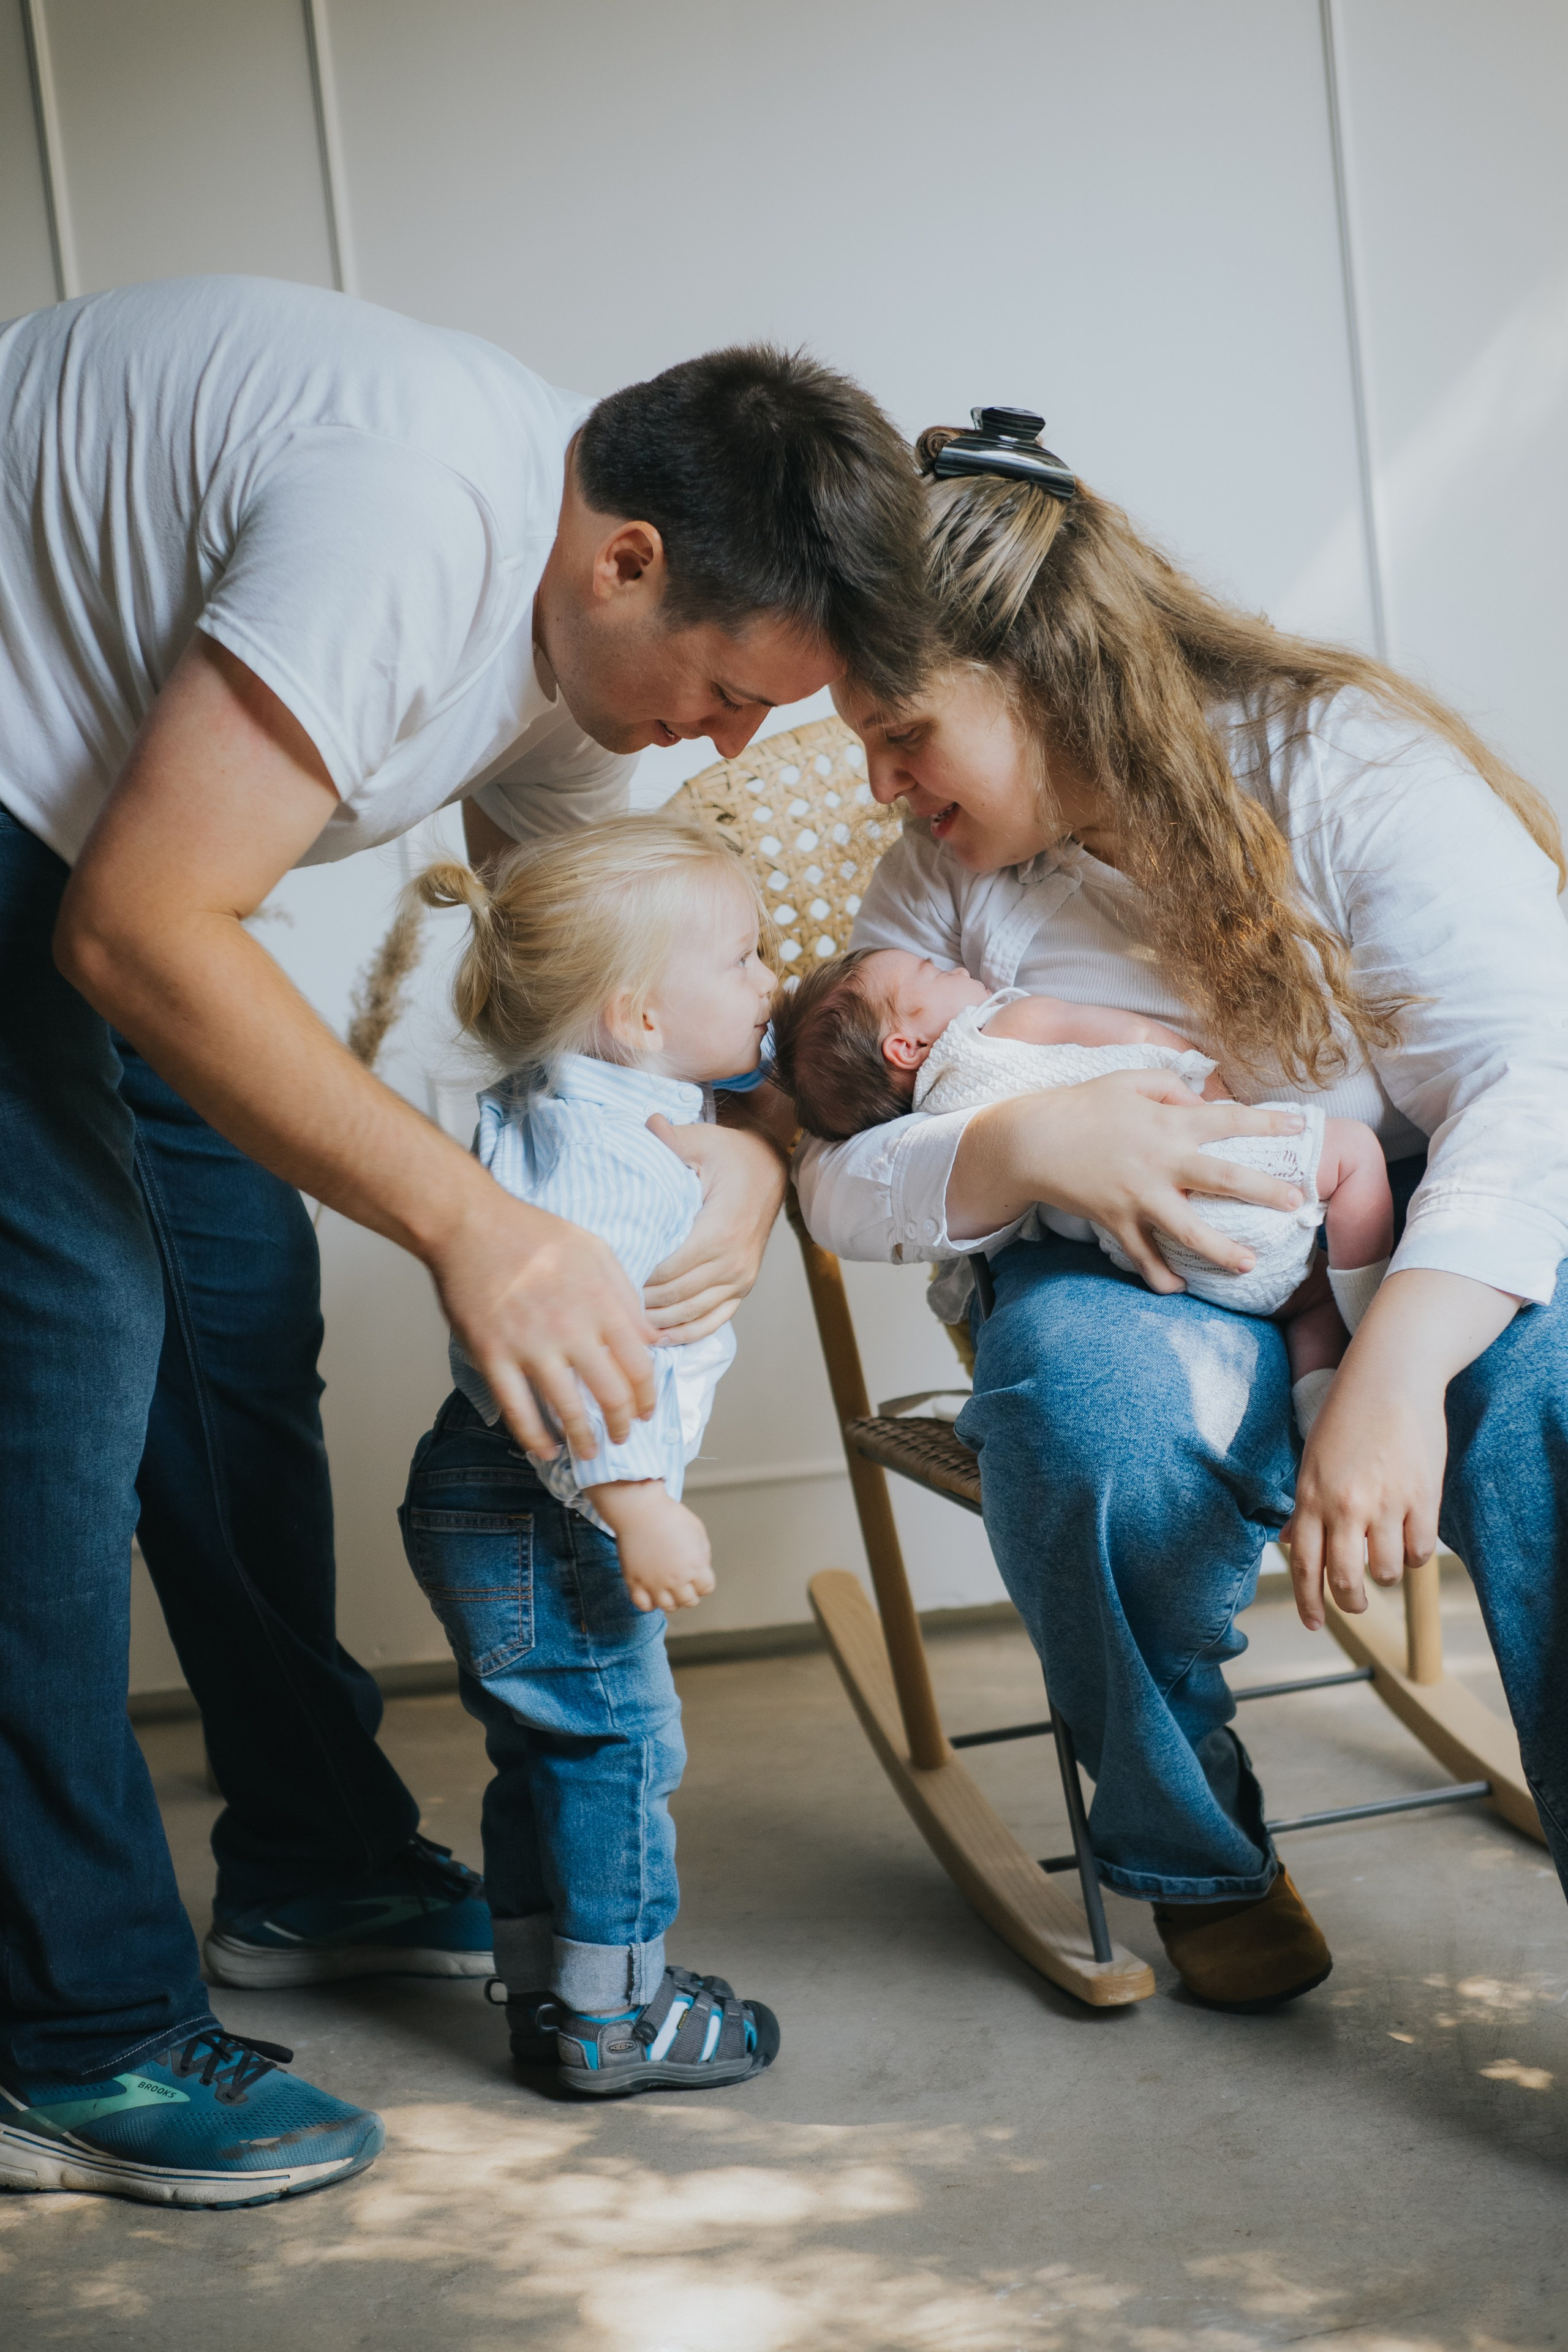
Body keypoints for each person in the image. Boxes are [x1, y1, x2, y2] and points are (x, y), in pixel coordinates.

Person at [0, 275, 925, 2204]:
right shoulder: (420, 518)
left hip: (98, 848)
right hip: (54, 849)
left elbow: (606, 997)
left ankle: (317, 1845)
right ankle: (69, 2025)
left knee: (236, 1319)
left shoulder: (578, 664)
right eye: (741, 689)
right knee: (61, 1381)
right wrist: (471, 1224)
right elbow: (130, 931)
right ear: (627, 556)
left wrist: (742, 1154)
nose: (736, 744)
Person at [793, 406, 1568, 2012]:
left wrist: (1397, 1374)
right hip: (1156, 1273)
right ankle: (1197, 1845)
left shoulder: (1337, 765)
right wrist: (1027, 1155)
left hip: (1434, 1225)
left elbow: (1531, 1079)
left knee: (1545, 1402)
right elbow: (831, 1172)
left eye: (904, 730)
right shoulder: (940, 886)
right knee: (1077, 1400)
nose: (882, 781)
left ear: (1037, 670)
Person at [400, 815, 780, 2097]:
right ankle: (615, 2019)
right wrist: (639, 1507)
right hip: (556, 1501)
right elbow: (582, 1355)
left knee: (544, 1748)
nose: (770, 977)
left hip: (489, 1490)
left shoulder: (565, 1101)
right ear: (636, 1018)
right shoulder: (608, 1163)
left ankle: (543, 1986)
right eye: (745, 958)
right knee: (620, 1752)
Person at [771, 946, 1394, 1433]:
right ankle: (1378, 1340)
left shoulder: (938, 1121)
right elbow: (1139, 1040)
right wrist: (1210, 1086)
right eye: (930, 971)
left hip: (1156, 1252)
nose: (954, 966)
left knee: (1305, 1306)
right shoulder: (1006, 1023)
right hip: (1219, 1167)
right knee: (1356, 1157)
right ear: (904, 1045)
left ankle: (1318, 1406)